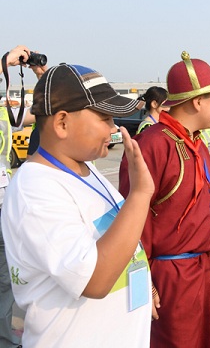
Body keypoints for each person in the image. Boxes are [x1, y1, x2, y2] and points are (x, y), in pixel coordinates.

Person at [2, 63, 153, 347]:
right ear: (62, 123)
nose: (114, 129)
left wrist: (144, 282)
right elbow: (94, 280)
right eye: (105, 119)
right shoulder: (35, 188)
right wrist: (140, 194)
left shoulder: (84, 168)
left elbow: (116, 239)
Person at [119, 52, 210, 348]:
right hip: (168, 279)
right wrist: (143, 282)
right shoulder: (154, 144)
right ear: (197, 101)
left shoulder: (197, 144)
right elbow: (131, 218)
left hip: (199, 270)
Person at [0, 45, 46, 348]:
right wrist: (4, 63)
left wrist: (42, 75)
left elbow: (41, 112)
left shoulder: (4, 114)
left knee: (6, 276)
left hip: (3, 202)